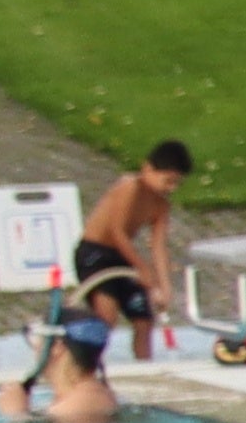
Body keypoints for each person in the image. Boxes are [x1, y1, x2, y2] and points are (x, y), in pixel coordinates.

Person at [0, 233, 151, 423]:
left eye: (37, 339)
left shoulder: (74, 408)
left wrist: (16, 415)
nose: (35, 348)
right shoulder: (92, 394)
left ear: (56, 347)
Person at [75, 140, 191, 359]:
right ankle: (89, 367)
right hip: (94, 253)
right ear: (148, 169)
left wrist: (164, 287)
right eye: (168, 181)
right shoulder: (129, 186)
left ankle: (144, 366)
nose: (171, 188)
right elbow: (117, 230)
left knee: (144, 321)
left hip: (120, 256)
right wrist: (142, 268)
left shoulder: (160, 205)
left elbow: (158, 246)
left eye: (177, 184)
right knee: (106, 316)